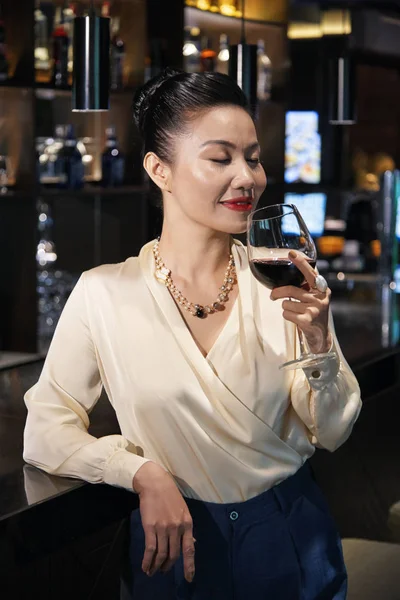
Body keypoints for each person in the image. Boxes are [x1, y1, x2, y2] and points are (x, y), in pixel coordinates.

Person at [23, 68, 362, 599]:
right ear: (160, 170)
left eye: (252, 157)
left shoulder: (288, 281)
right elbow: (44, 432)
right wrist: (139, 472)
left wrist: (319, 345)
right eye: (220, 158)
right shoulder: (103, 294)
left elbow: (335, 431)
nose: (248, 177)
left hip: (288, 532)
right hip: (172, 545)